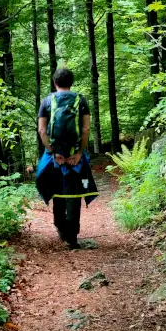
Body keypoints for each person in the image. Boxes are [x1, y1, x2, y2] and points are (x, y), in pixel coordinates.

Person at [35, 68, 99, 249]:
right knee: (75, 193)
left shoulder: (47, 101)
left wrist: (53, 153)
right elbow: (85, 129)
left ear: (55, 82)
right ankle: (71, 238)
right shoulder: (81, 100)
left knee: (57, 191)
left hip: (55, 156)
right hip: (74, 155)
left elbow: (42, 130)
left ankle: (61, 228)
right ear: (71, 82)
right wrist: (78, 153)